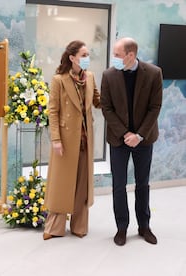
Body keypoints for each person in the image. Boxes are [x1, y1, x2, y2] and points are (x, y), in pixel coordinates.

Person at [100, 37, 163, 246]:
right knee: (119, 185)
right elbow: (106, 108)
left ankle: (144, 226)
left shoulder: (154, 73)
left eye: (117, 55)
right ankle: (121, 227)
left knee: (142, 184)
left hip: (144, 140)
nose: (114, 58)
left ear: (131, 55)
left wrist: (139, 135)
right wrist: (126, 133)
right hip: (118, 140)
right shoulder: (108, 75)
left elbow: (155, 107)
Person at [43, 40, 101, 240]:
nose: (87, 58)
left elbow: (98, 101)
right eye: (84, 55)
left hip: (86, 139)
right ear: (72, 58)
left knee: (82, 184)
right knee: (61, 182)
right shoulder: (59, 79)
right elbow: (53, 111)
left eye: (88, 55)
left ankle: (79, 226)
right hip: (66, 139)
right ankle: (54, 227)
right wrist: (56, 139)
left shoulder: (91, 77)